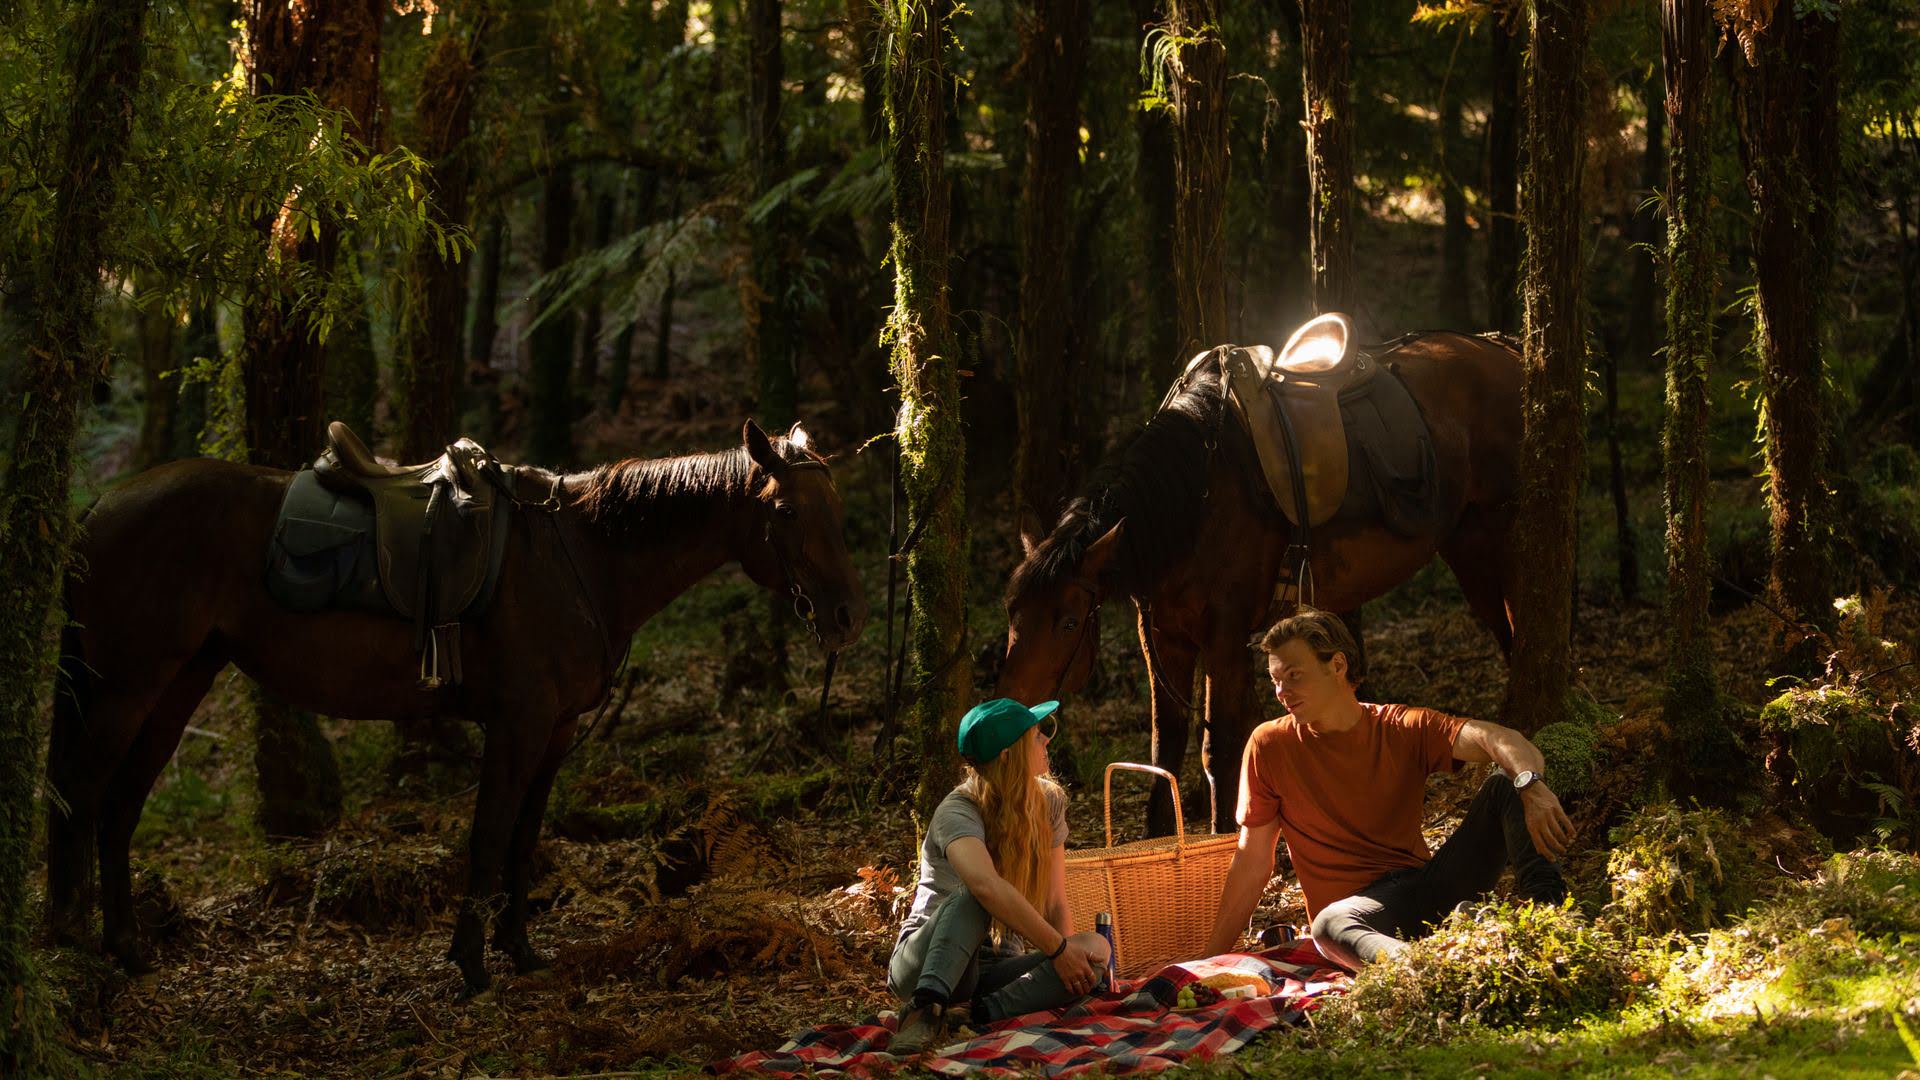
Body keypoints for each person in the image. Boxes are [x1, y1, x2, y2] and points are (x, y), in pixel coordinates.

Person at [1202, 607, 1574, 969]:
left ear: (1337, 665)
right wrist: (1209, 961)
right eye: (1275, 680)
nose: (1282, 691)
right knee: (1328, 927)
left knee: (1508, 782)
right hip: (1358, 917)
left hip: (1427, 887)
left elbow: (1500, 738)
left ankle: (1547, 927)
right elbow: (1252, 860)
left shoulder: (1401, 726)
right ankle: (1438, 967)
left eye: (1295, 675)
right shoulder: (1269, 744)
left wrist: (1532, 785)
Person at [888, 697, 1111, 1055]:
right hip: (929, 962)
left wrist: (1067, 964)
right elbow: (984, 888)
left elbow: (1054, 901)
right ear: (1008, 755)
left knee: (1096, 953)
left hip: (992, 973)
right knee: (976, 893)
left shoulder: (1049, 803)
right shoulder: (957, 811)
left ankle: (973, 1016)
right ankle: (923, 1010)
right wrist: (1058, 950)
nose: (1046, 740)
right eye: (1036, 735)